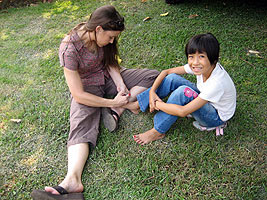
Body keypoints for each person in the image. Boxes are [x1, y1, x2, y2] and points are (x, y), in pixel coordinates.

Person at [31, 5, 159, 200]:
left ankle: (118, 108)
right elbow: (79, 94)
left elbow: (111, 62)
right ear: (98, 30)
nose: (112, 40)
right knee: (81, 125)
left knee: (152, 76)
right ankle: (71, 181)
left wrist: (121, 85)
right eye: (110, 37)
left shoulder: (102, 35)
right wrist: (108, 102)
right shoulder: (69, 49)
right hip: (88, 90)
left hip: (107, 78)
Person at [127, 33, 236, 145]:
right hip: (207, 98)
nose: (195, 62)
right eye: (191, 56)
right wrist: (152, 92)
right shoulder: (202, 66)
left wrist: (156, 104)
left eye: (201, 56)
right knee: (172, 78)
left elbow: (183, 112)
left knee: (183, 92)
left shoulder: (217, 83)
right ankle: (138, 105)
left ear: (213, 59)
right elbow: (166, 72)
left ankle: (157, 131)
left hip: (215, 117)